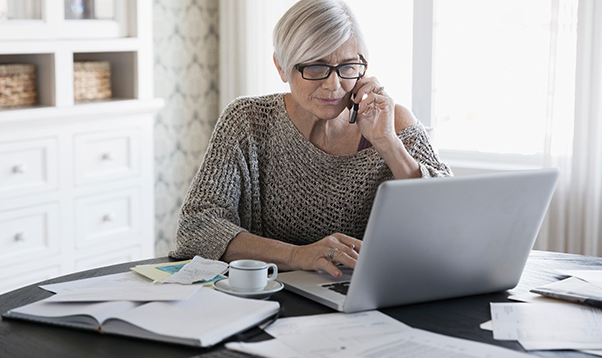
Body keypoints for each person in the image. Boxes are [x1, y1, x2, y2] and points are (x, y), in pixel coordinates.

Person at [170, 0, 452, 278]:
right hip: (271, 297)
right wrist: (297, 255)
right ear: (281, 67)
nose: (333, 84)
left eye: (348, 67)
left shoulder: (392, 122)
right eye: (316, 67)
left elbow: (450, 220)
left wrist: (389, 143)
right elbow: (197, 228)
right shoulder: (247, 121)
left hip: (368, 295)